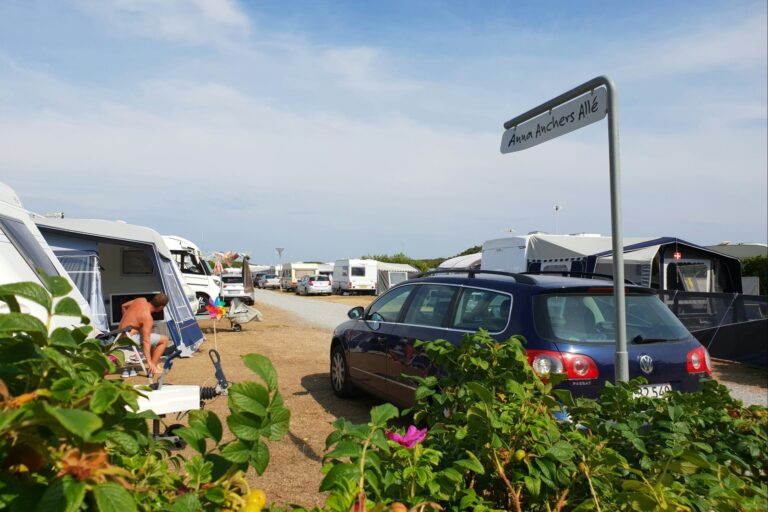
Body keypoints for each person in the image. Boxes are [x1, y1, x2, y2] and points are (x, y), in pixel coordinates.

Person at [119, 293, 170, 376]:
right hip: (129, 339)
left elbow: (123, 306)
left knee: (154, 337)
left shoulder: (140, 300)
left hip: (120, 334)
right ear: (161, 307)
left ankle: (155, 364)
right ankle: (153, 368)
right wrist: (149, 361)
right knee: (164, 339)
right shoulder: (148, 318)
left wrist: (129, 320)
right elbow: (146, 341)